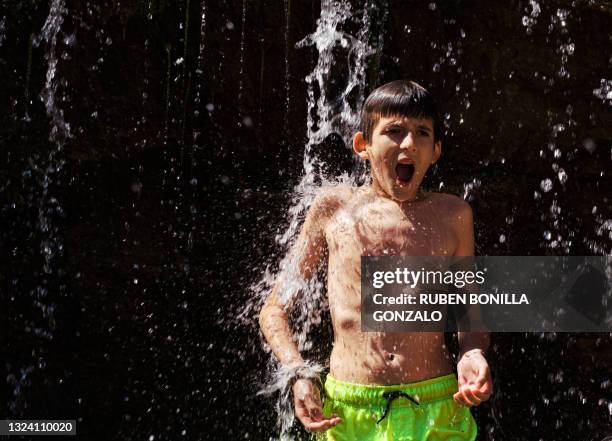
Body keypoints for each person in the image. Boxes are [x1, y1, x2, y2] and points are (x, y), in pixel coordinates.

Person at [259, 80, 493, 440]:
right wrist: (298, 373)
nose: (409, 143)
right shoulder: (333, 209)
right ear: (362, 145)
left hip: (436, 407)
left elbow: (470, 311)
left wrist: (472, 352)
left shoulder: (453, 215)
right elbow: (274, 309)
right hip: (348, 414)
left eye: (422, 133)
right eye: (394, 131)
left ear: (436, 151)